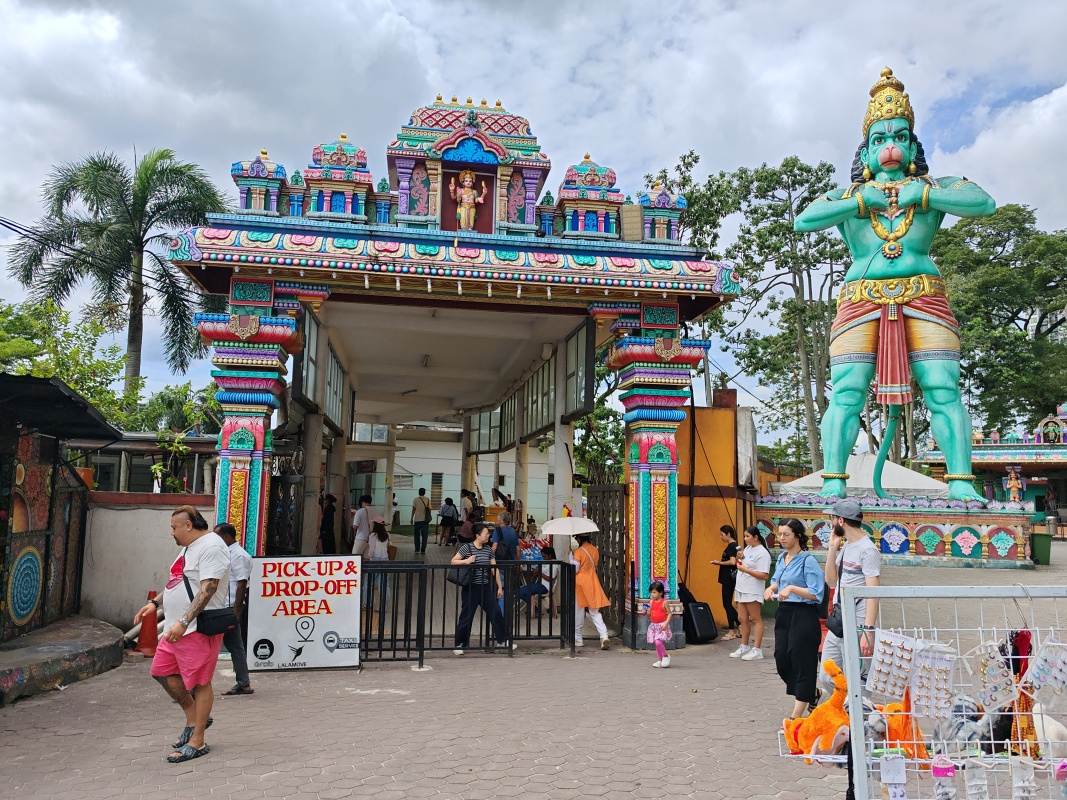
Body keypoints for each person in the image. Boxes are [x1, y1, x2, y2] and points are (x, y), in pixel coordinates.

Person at [134, 506, 230, 763]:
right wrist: (154, 604)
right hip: (176, 628)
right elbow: (178, 582)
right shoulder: (188, 549)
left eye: (174, 527)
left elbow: (208, 589)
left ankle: (198, 740)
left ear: (188, 525)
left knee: (200, 683)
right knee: (161, 672)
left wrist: (185, 621)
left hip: (197, 629)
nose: (172, 532)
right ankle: (194, 716)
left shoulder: (212, 546)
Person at [765, 518, 825, 720]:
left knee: (802, 660)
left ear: (797, 536)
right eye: (779, 534)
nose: (781, 538)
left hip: (804, 614)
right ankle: (810, 692)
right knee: (782, 658)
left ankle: (795, 716)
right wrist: (771, 588)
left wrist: (791, 589)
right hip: (784, 613)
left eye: (786, 534)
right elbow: (776, 581)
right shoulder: (782, 558)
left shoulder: (808, 561)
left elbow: (817, 593)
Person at [821, 498, 880, 696]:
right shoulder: (846, 546)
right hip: (839, 620)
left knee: (857, 680)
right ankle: (847, 712)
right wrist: (832, 549)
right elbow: (830, 581)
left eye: (832, 518)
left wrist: (868, 631)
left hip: (858, 621)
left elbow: (873, 592)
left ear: (840, 521)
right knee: (826, 675)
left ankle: (860, 721)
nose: (830, 523)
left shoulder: (868, 549)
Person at [451, 522, 513, 654]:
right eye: (486, 533)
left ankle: (502, 640)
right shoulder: (466, 548)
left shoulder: (488, 550)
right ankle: (460, 644)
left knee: (496, 612)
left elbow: (494, 569)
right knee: (466, 616)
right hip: (470, 588)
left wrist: (499, 587)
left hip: (485, 588)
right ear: (478, 535)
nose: (488, 536)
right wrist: (466, 561)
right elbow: (453, 561)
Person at [214, 523, 254, 696]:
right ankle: (243, 683)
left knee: (233, 646)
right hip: (221, 606)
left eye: (218, 536)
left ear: (228, 537)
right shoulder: (225, 553)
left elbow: (241, 584)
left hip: (229, 608)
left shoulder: (239, 556)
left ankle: (243, 683)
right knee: (234, 646)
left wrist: (236, 613)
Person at [730, 526, 772, 661]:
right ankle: (744, 646)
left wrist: (745, 569)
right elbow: (742, 564)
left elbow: (764, 575)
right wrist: (740, 558)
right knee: (742, 619)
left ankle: (757, 649)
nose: (745, 539)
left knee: (755, 619)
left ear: (756, 537)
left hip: (753, 590)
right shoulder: (747, 549)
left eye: (748, 536)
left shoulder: (763, 553)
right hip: (741, 587)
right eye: (745, 536)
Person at [572, 534, 610, 650]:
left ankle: (578, 639)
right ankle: (604, 636)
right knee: (595, 612)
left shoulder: (578, 551)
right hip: (592, 582)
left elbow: (575, 569)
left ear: (579, 539)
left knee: (578, 612)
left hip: (580, 584)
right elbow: (595, 565)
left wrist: (571, 557)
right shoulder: (595, 550)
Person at [710, 524, 740, 639]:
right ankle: (740, 627)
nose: (721, 537)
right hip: (727, 578)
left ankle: (733, 630)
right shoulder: (733, 546)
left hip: (728, 579)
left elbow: (733, 562)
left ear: (728, 534)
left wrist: (719, 563)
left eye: (722, 535)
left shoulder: (732, 546)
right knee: (727, 604)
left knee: (727, 604)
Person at [517, 545, 557, 613]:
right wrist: (536, 573)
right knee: (520, 591)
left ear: (550, 555)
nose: (543, 558)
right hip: (539, 584)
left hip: (545, 587)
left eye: (544, 556)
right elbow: (536, 575)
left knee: (520, 592)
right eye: (542, 556)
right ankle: (534, 607)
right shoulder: (546, 562)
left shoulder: (554, 564)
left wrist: (539, 572)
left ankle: (534, 608)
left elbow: (550, 579)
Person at [646, 581, 674, 668]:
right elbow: (649, 615)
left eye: (654, 592)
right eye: (651, 592)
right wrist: (648, 613)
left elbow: (670, 613)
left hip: (662, 626)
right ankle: (660, 660)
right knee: (656, 643)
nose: (652, 594)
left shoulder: (664, 602)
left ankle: (665, 656)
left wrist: (666, 623)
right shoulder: (651, 602)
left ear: (661, 593)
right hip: (654, 625)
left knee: (658, 642)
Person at [364, 517, 390, 605]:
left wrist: (368, 557)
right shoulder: (387, 535)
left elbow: (371, 550)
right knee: (384, 585)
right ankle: (383, 606)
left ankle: (368, 603)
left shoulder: (373, 535)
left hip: (375, 561)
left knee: (368, 584)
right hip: (385, 560)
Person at [410, 487, 432, 555]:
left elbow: (413, 509)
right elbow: (430, 509)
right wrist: (428, 517)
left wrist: (411, 518)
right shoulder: (428, 499)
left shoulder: (415, 499)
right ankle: (423, 550)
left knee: (416, 536)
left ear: (419, 492)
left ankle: (417, 549)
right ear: (424, 492)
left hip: (417, 520)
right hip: (425, 521)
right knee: (425, 536)